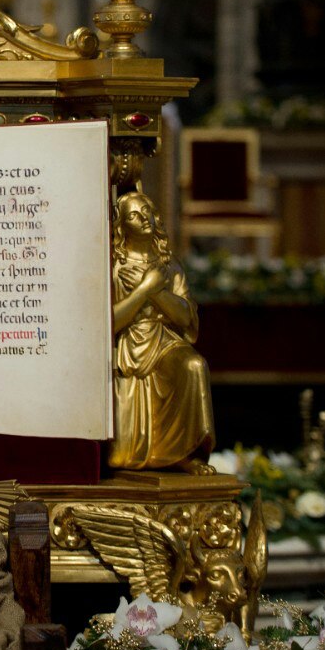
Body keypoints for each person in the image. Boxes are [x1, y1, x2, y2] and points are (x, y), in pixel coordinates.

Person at [108, 191, 215, 472]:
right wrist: (143, 290)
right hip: (127, 344)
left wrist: (156, 291)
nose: (144, 219)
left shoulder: (170, 265)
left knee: (193, 365)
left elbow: (184, 317)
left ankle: (185, 453)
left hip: (164, 340)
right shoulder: (114, 266)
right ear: (121, 226)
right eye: (133, 215)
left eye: (146, 211)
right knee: (119, 458)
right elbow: (110, 324)